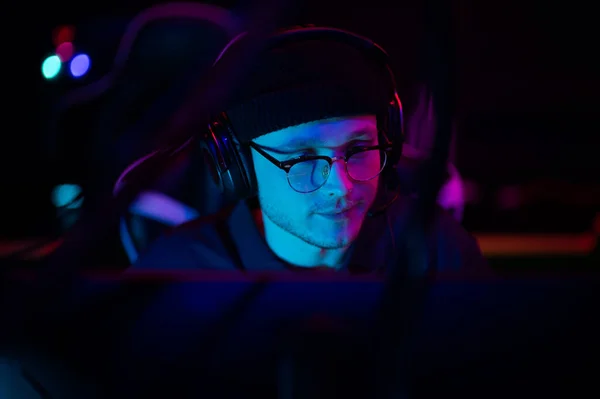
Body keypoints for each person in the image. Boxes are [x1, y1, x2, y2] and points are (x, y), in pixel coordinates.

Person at [131, 26, 487, 272]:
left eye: (359, 147)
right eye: (302, 158)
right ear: (239, 164)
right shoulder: (176, 273)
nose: (342, 186)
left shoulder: (439, 252)